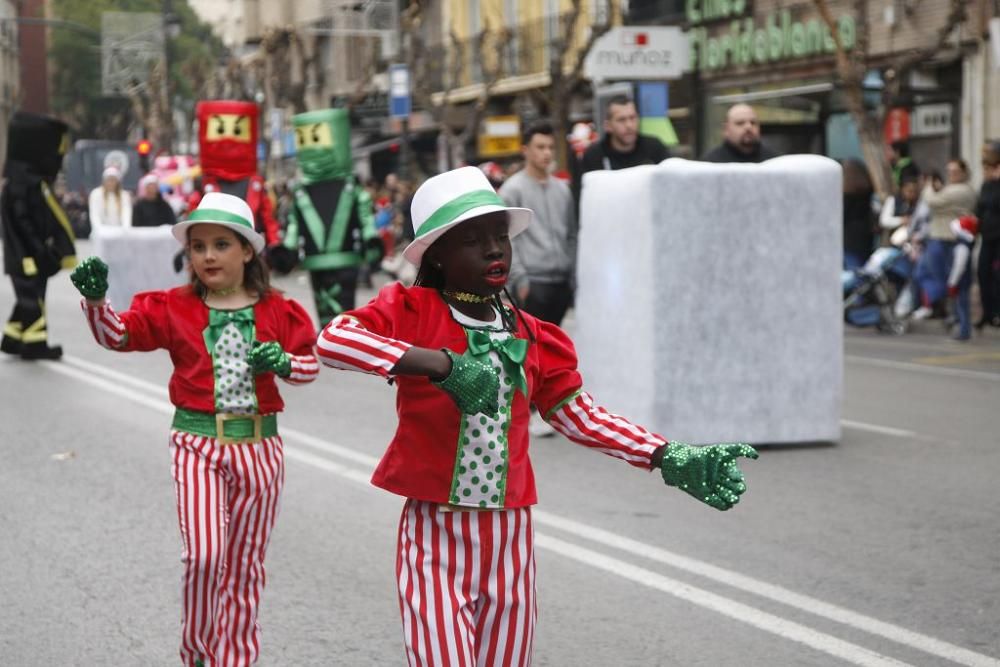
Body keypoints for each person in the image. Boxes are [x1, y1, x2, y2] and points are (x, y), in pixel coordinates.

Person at [315, 166, 758, 666]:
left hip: (510, 535)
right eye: (471, 239)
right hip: (435, 530)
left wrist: (664, 453)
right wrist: (440, 364)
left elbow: (578, 415)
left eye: (499, 236)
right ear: (437, 253)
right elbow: (333, 340)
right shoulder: (413, 311)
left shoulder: (534, 334)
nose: (493, 250)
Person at [69, 192, 319, 667]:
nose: (206, 256)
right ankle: (200, 653)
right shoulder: (171, 307)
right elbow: (117, 336)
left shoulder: (280, 311)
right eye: (198, 246)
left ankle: (236, 659)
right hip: (196, 444)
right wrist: (98, 302)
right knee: (204, 556)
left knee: (245, 567)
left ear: (247, 251)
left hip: (261, 449)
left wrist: (284, 362)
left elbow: (309, 367)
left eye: (220, 244)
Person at [278, 108, 383, 327]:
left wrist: (371, 239)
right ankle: (331, 336)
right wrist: (287, 249)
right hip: (317, 262)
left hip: (345, 260)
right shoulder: (301, 193)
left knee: (345, 310)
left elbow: (365, 219)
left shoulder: (351, 189)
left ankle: (343, 337)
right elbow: (294, 226)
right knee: (324, 313)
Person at [1, 111, 76, 360]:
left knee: (30, 295)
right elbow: (23, 222)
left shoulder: (26, 182)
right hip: (25, 254)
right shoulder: (22, 185)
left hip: (25, 253)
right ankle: (35, 344)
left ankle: (13, 339)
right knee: (32, 297)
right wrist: (39, 248)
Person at [499, 121, 577, 326]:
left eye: (551, 147)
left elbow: (571, 234)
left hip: (562, 282)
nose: (547, 153)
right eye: (540, 147)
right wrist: (520, 280)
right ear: (525, 150)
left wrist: (572, 273)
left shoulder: (562, 189)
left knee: (554, 349)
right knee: (531, 349)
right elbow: (507, 239)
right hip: (532, 282)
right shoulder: (512, 190)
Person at [191, 100, 282, 256]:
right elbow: (193, 219)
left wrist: (276, 245)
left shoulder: (255, 185)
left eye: (237, 131)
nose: (228, 140)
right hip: (216, 256)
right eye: (219, 129)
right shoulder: (204, 185)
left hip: (251, 255)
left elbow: (267, 218)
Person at [572, 95, 670, 209]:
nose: (629, 125)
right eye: (621, 120)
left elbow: (669, 187)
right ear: (608, 126)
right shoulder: (594, 155)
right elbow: (582, 199)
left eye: (632, 118)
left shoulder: (654, 148)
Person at [913, 159, 978, 319]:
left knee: (953, 281)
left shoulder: (962, 190)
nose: (951, 175)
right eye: (949, 171)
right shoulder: (949, 189)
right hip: (938, 237)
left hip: (952, 239)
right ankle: (943, 306)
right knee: (924, 273)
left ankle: (954, 316)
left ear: (964, 172)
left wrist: (928, 186)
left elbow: (933, 201)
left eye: (955, 171)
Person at [975, 140, 1000, 330]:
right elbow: (980, 207)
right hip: (987, 235)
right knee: (983, 272)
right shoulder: (986, 183)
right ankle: (987, 312)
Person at [700, 103, 779, 163]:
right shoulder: (711, 164)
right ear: (726, 129)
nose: (748, 127)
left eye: (753, 123)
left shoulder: (773, 162)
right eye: (740, 123)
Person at [945, 215, 978, 341]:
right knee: (960, 306)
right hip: (963, 281)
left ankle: (964, 332)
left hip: (961, 281)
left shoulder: (962, 247)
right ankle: (962, 329)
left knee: (962, 307)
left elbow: (959, 266)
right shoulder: (966, 245)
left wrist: (952, 282)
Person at [842, 159, 877, 270]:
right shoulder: (867, 192)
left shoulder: (846, 197)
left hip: (849, 240)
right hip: (866, 238)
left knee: (853, 272)